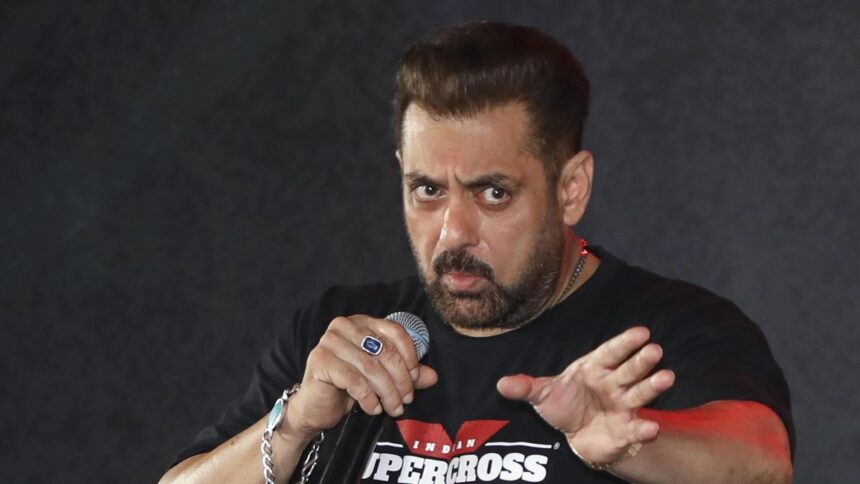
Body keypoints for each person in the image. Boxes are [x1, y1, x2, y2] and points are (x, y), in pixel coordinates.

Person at [161, 22, 793, 483]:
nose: (452, 234)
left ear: (571, 189)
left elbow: (765, 460)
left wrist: (633, 447)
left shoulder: (657, 331)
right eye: (428, 191)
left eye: (493, 193)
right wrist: (296, 422)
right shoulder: (343, 334)